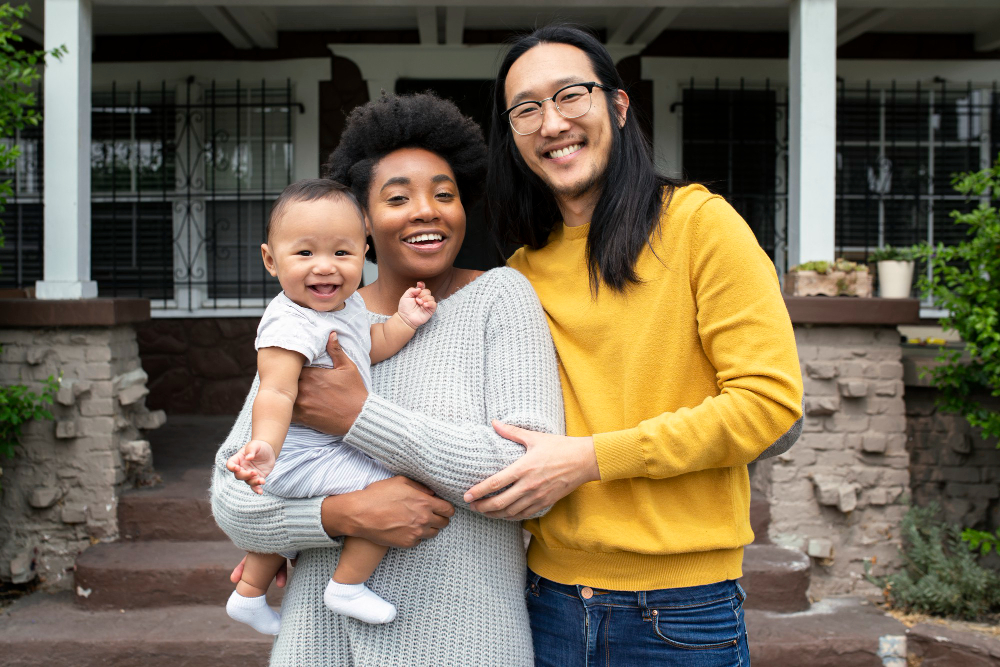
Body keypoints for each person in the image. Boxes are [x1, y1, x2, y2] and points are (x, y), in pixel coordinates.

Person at [463, 25, 805, 665]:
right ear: (513, 135)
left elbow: (768, 403)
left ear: (617, 107)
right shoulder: (519, 275)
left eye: (571, 95)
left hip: (680, 610)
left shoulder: (700, 226)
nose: (552, 122)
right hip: (543, 600)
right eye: (526, 109)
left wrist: (590, 459)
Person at [211, 92, 564, 666]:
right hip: (318, 644)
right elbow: (235, 498)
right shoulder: (312, 317)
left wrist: (359, 417)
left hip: (466, 641)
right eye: (398, 198)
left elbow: (525, 477)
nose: (427, 210)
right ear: (365, 222)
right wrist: (340, 515)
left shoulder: (501, 297)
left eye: (444, 195)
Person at [224, 179, 437, 633]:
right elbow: (277, 392)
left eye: (342, 253)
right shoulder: (290, 321)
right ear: (270, 259)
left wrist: (403, 321)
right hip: (298, 454)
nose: (325, 267)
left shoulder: (346, 309)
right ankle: (347, 585)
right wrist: (264, 445)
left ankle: (248, 594)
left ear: (364, 253)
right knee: (385, 487)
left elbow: (370, 347)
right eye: (304, 254)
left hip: (317, 451)